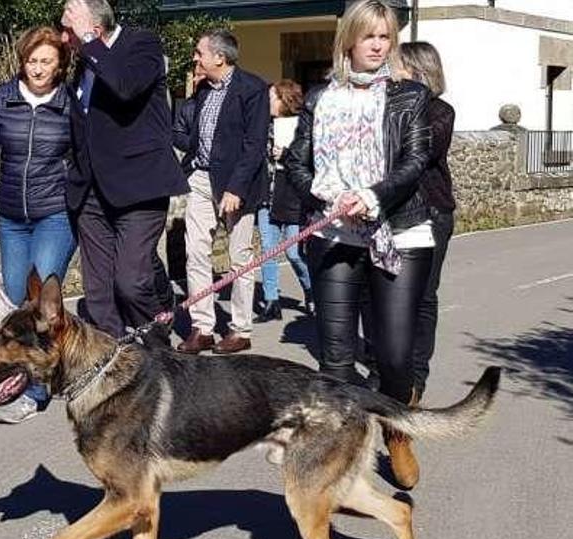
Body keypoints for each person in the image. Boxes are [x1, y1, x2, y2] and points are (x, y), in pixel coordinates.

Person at [284, 0, 434, 490]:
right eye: (368, 36)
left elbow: (414, 162)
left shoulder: (410, 96)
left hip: (398, 229)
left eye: (385, 37)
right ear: (349, 39)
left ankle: (396, 428)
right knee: (335, 360)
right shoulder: (318, 97)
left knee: (392, 357)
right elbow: (296, 163)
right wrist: (326, 195)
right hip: (332, 233)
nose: (376, 45)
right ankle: (345, 457)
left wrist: (369, 197)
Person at [0, 26, 77, 424]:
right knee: (12, 299)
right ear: (21, 61)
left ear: (60, 64)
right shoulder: (2, 98)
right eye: (32, 60)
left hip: (55, 213)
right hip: (11, 217)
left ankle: (37, 390)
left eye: (47, 61)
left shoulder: (70, 102)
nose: (38, 68)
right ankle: (23, 376)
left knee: (44, 296)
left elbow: (85, 160)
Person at [61, 0, 188, 344]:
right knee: (98, 293)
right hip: (89, 193)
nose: (63, 38)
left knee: (131, 283)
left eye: (68, 29)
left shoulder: (141, 44)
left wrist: (87, 38)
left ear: (94, 29)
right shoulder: (83, 62)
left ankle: (161, 354)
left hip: (139, 188)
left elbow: (124, 86)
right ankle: (116, 360)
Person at [171, 29, 269, 354]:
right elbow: (196, 139)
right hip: (201, 178)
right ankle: (203, 328)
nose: (195, 58)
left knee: (239, 256)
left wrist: (236, 187)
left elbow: (255, 146)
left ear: (219, 57)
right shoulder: (201, 91)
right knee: (196, 251)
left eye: (200, 53)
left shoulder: (252, 89)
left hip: (236, 184)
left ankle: (240, 329)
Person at [399, 41, 456, 399]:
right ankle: (386, 366)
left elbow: (423, 151)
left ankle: (415, 380)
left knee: (422, 296)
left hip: (432, 210)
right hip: (392, 212)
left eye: (398, 66)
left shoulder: (440, 112)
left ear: (418, 71)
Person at [255, 79, 313, 323]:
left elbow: (310, 161)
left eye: (272, 97)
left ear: (284, 99)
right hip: (267, 194)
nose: (268, 101)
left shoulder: (303, 126)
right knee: (268, 251)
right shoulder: (264, 126)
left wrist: (287, 154)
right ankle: (271, 302)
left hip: (292, 196)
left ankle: (312, 291)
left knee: (293, 252)